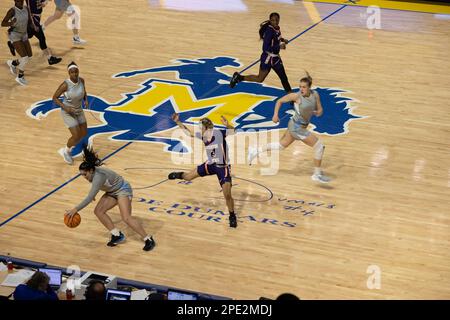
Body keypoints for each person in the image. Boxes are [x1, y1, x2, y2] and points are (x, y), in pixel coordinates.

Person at [65, 145, 156, 251]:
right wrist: (93, 194)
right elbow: (94, 190)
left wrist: (75, 209)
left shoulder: (98, 177)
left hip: (122, 189)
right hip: (111, 191)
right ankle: (116, 234)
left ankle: (148, 239)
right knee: (98, 211)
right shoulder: (93, 174)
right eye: (82, 175)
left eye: (85, 174)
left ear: (91, 171)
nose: (84, 177)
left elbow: (89, 197)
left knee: (126, 218)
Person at [247, 72, 331, 184]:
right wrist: (275, 115)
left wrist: (317, 112)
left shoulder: (315, 95)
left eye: (304, 87)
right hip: (296, 127)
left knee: (281, 146)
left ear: (309, 87)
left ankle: (255, 150)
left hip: (296, 125)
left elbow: (320, 110)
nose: (301, 89)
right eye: (300, 86)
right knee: (319, 146)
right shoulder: (296, 96)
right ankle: (316, 175)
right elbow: (279, 101)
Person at [168, 114, 238, 228]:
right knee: (188, 177)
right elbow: (189, 134)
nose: (200, 130)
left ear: (206, 127)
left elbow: (234, 131)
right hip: (210, 164)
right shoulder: (203, 136)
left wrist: (227, 125)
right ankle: (179, 174)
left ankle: (232, 215)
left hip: (222, 167)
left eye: (201, 127)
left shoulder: (218, 133)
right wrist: (178, 122)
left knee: (227, 194)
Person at [230, 12, 292, 94]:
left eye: (277, 20)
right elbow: (265, 48)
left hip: (275, 58)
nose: (275, 22)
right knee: (260, 79)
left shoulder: (277, 28)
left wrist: (283, 40)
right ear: (270, 20)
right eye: (273, 20)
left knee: (283, 77)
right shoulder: (269, 31)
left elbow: (277, 38)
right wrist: (279, 47)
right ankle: (239, 77)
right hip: (267, 58)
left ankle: (291, 96)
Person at [52, 61, 88, 164]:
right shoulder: (65, 85)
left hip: (78, 109)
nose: (75, 74)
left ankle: (71, 146)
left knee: (84, 133)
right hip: (68, 111)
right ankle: (66, 152)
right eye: (72, 72)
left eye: (76, 71)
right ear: (69, 73)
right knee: (76, 135)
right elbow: (54, 97)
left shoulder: (81, 80)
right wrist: (66, 108)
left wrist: (86, 99)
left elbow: (84, 91)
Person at [1, 0, 33, 86]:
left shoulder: (26, 8)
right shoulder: (12, 11)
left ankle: (13, 63)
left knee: (29, 56)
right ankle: (20, 77)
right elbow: (3, 23)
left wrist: (33, 26)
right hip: (15, 34)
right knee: (25, 57)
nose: (21, 2)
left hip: (24, 33)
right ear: (15, 1)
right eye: (18, 0)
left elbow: (29, 20)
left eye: (22, 0)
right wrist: (11, 23)